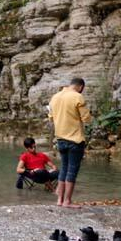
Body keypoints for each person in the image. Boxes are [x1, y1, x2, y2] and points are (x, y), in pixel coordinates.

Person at [48, 77, 92, 208]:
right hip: (75, 139)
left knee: (64, 168)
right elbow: (87, 119)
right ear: (80, 87)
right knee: (72, 170)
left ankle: (59, 200)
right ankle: (67, 201)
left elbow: (51, 117)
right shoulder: (77, 97)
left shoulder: (54, 97)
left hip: (60, 138)